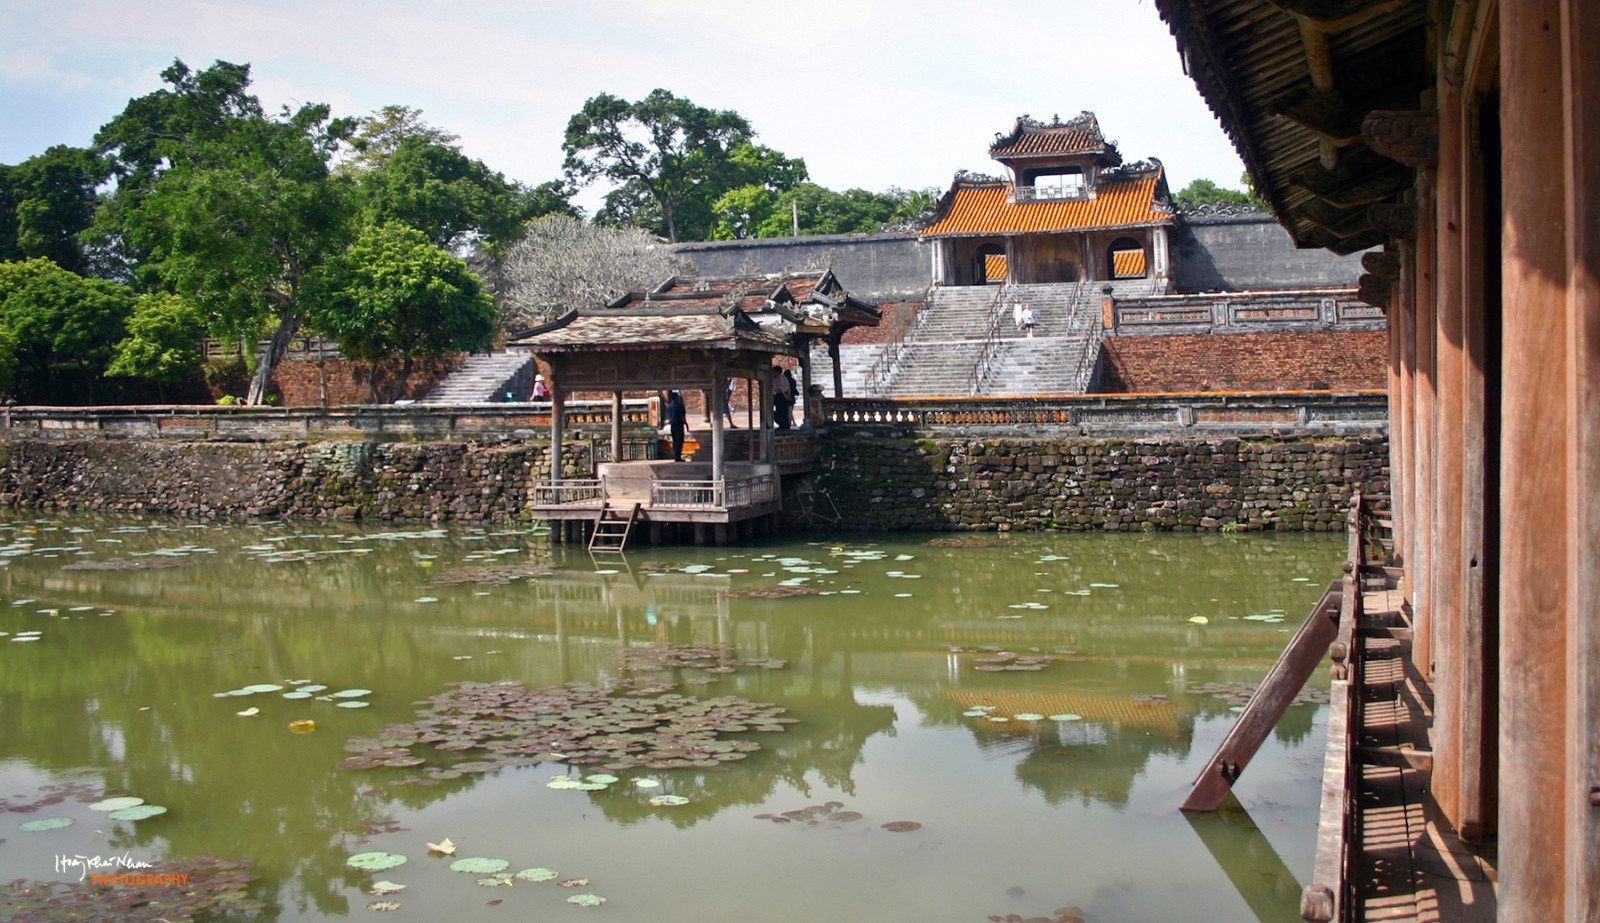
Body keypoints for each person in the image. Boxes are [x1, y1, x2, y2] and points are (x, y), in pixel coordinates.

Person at [666, 391, 687, 461]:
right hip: (679, 424)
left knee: (675, 440)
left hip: (672, 425)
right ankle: (678, 457)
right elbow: (682, 416)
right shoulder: (679, 406)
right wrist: (685, 423)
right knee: (679, 441)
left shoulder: (669, 406)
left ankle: (676, 455)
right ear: (677, 397)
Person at [772, 364, 793, 430]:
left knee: (780, 411)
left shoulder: (778, 378)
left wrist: (784, 395)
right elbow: (788, 388)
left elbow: (780, 388)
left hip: (780, 395)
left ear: (776, 371)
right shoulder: (785, 378)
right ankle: (786, 425)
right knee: (785, 411)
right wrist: (788, 396)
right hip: (785, 394)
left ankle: (782, 425)